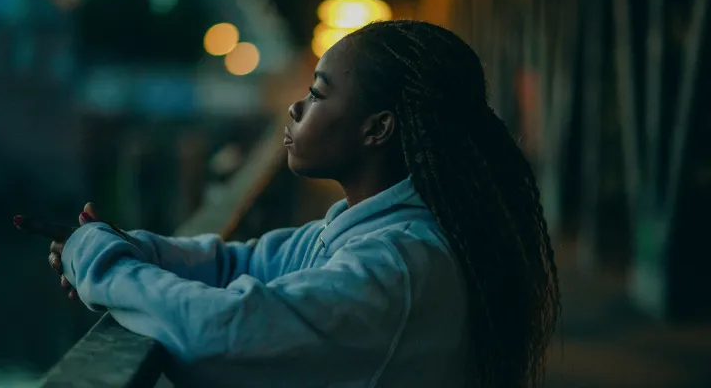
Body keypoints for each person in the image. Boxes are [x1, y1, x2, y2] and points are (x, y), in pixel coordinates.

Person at [49, 20, 561, 387]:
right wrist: (127, 247)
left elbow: (220, 332)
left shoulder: (398, 265)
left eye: (317, 94)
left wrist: (99, 261)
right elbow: (237, 262)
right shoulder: (364, 229)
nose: (295, 107)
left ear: (377, 128)